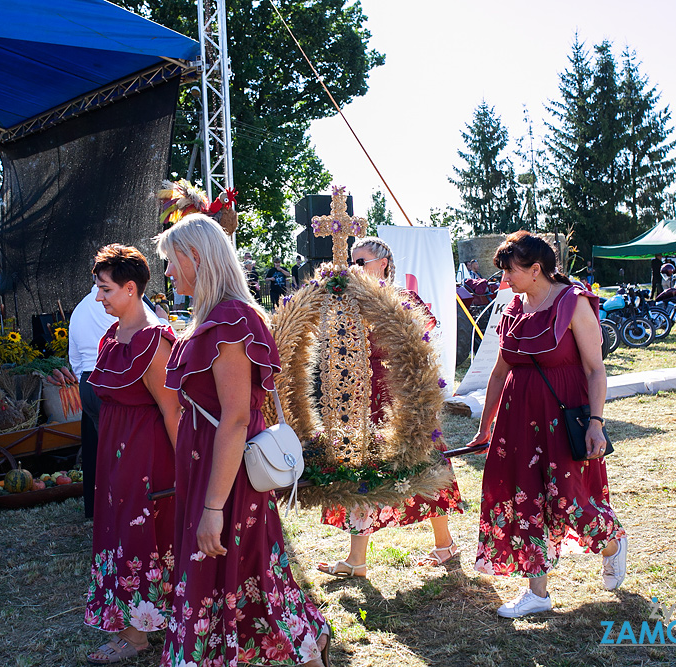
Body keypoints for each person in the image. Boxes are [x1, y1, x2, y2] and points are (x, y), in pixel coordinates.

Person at [157, 214, 330, 667]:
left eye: (172, 262)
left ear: (196, 257)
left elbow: (235, 419)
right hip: (216, 471)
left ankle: (305, 647)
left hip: (227, 478)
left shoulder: (230, 320)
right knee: (251, 571)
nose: (169, 272)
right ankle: (307, 646)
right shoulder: (218, 317)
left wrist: (212, 507)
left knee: (248, 570)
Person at [466, 230, 627, 618]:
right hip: (517, 419)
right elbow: (499, 371)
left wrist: (596, 422)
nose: (504, 280)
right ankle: (537, 592)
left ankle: (612, 543)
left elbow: (595, 369)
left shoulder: (574, 304)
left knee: (570, 502)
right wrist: (485, 426)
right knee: (522, 499)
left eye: (511, 272)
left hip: (562, 415)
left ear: (536, 269)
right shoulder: (513, 308)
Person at [316, 237, 464, 577]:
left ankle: (446, 546)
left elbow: (423, 343)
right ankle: (357, 560)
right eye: (351, 262)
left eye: (361, 261)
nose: (354, 269)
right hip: (365, 399)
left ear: (382, 262)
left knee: (425, 466)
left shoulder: (402, 299)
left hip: (404, 399)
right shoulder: (349, 305)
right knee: (361, 472)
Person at [83, 245, 183, 664]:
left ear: (130, 288)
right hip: (115, 457)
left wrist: (189, 473)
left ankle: (137, 636)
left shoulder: (153, 344)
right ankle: (138, 624)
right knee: (118, 536)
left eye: (105, 289)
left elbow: (173, 411)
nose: (98, 297)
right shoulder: (112, 336)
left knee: (142, 540)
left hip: (147, 460)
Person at [68, 282, 169, 519]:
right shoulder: (127, 309)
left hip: (88, 382)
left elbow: (73, 357)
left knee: (104, 451)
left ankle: (104, 507)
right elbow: (152, 344)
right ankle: (127, 508)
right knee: (125, 452)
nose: (102, 299)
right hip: (114, 384)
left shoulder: (80, 308)